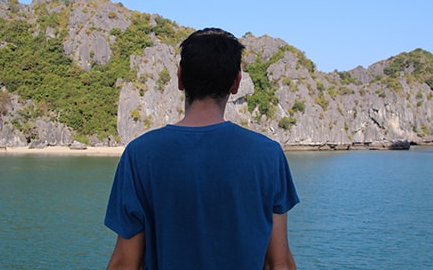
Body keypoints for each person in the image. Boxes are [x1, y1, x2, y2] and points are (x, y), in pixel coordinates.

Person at [104, 27, 299, 270]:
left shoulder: (140, 154)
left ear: (180, 78)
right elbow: (278, 263)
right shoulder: (268, 155)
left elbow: (126, 262)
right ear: (236, 83)